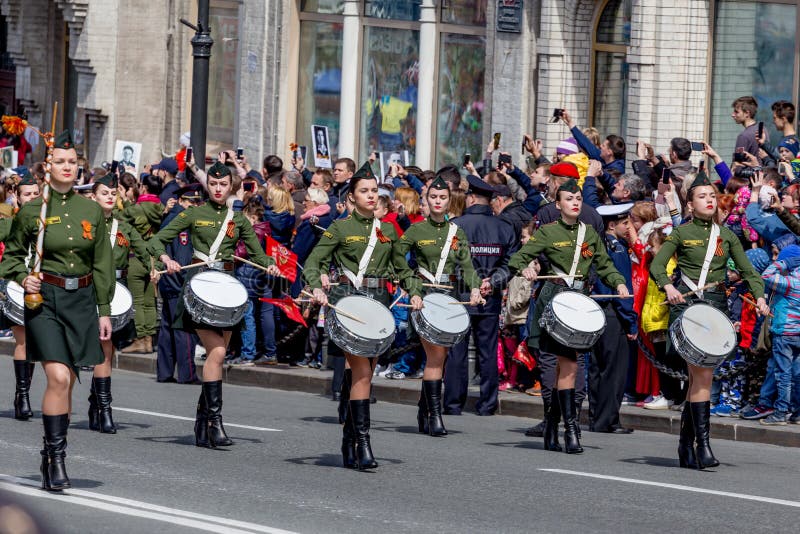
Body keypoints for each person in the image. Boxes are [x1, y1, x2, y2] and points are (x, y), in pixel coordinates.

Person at [0, 130, 114, 491]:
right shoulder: (33, 210)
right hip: (44, 300)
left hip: (80, 302)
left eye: (72, 162)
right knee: (60, 379)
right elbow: (12, 257)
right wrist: (23, 277)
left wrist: (105, 309)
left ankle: (50, 455)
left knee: (69, 381)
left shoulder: (92, 210)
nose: (67, 167)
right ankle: (56, 456)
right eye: (59, 162)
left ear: (80, 168)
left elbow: (101, 264)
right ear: (47, 167)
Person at [148, 162, 280, 448]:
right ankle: (215, 422)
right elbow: (157, 241)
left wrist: (271, 265)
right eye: (213, 184)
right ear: (207, 184)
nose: (218, 189)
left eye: (223, 184)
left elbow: (258, 255)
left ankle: (202, 422)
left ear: (231, 185)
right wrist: (166, 260)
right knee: (218, 353)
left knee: (214, 358)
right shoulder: (193, 213)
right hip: (199, 286)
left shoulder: (240, 220)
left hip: (228, 290)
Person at [650, 171, 768, 469]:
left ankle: (685, 446)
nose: (709, 201)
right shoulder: (681, 233)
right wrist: (668, 286)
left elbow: (749, 272)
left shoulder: (726, 236)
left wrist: (761, 297)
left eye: (713, 196)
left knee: (698, 380)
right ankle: (702, 445)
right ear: (690, 204)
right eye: (702, 196)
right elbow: (658, 265)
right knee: (702, 377)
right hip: (688, 308)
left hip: (715, 309)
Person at [509, 178, 629, 454]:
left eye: (578, 199)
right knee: (567, 364)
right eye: (569, 199)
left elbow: (604, 264)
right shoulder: (547, 233)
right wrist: (527, 267)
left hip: (579, 301)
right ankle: (570, 431)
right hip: (554, 300)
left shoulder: (589, 234)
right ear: (558, 204)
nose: (575, 203)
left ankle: (555, 426)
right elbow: (518, 258)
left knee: (571, 365)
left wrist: (618, 282)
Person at [305, 162, 399, 470]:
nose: (371, 196)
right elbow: (314, 261)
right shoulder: (340, 227)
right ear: (351, 198)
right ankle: (363, 444)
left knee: (367, 373)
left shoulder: (387, 230)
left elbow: (401, 267)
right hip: (346, 301)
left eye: (374, 191)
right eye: (364, 191)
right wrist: (316, 285)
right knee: (361, 373)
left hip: (378, 301)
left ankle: (349, 439)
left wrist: (413, 288)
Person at [393, 177, 485, 436]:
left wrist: (475, 287)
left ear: (449, 201)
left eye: (442, 198)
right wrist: (411, 287)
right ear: (426, 200)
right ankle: (435, 416)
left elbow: (467, 265)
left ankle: (425, 409)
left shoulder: (457, 233)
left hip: (449, 297)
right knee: (435, 356)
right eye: (433, 197)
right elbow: (399, 259)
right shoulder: (415, 231)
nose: (437, 201)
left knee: (441, 357)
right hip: (423, 296)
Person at [444, 175, 517, 416]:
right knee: (487, 351)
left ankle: (453, 403)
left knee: (457, 351)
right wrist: (492, 282)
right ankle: (487, 405)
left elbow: (450, 263)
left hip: (461, 295)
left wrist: (474, 282)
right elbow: (512, 264)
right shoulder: (504, 227)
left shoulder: (457, 225)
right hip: (491, 296)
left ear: (472, 197)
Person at [88, 173, 151, 433]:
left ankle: (101, 405)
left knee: (108, 348)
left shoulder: (123, 226)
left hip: (118, 290)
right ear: (93, 196)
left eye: (113, 193)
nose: (110, 197)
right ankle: (99, 406)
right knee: (97, 348)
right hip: (91, 288)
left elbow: (145, 247)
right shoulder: (85, 224)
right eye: (104, 193)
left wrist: (158, 262)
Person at [588, 203, 637, 434]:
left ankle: (596, 416)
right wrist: (630, 321)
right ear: (611, 225)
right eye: (625, 223)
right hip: (613, 313)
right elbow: (622, 290)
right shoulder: (617, 250)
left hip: (597, 312)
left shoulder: (600, 245)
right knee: (614, 371)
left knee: (597, 369)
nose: (629, 227)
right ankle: (608, 420)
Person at [2, 171, 40, 420]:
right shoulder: (8, 221)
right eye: (28, 194)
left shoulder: (47, 219)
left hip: (42, 287)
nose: (33, 198)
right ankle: (23, 395)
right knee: (24, 341)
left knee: (35, 343)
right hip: (17, 286)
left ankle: (21, 393)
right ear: (16, 196)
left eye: (37, 194)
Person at [156, 184, 202, 384]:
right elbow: (182, 258)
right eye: (192, 202)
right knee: (184, 329)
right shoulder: (181, 221)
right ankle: (188, 373)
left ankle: (165, 372)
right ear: (183, 201)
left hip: (168, 282)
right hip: (178, 282)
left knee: (167, 328)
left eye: (197, 202)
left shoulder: (169, 218)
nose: (195, 205)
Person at [119, 173, 164, 354]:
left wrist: (125, 199)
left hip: (136, 256)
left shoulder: (136, 208)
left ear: (144, 188)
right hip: (154, 257)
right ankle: (149, 339)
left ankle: (140, 339)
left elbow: (119, 218)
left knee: (137, 302)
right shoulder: (161, 207)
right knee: (150, 301)